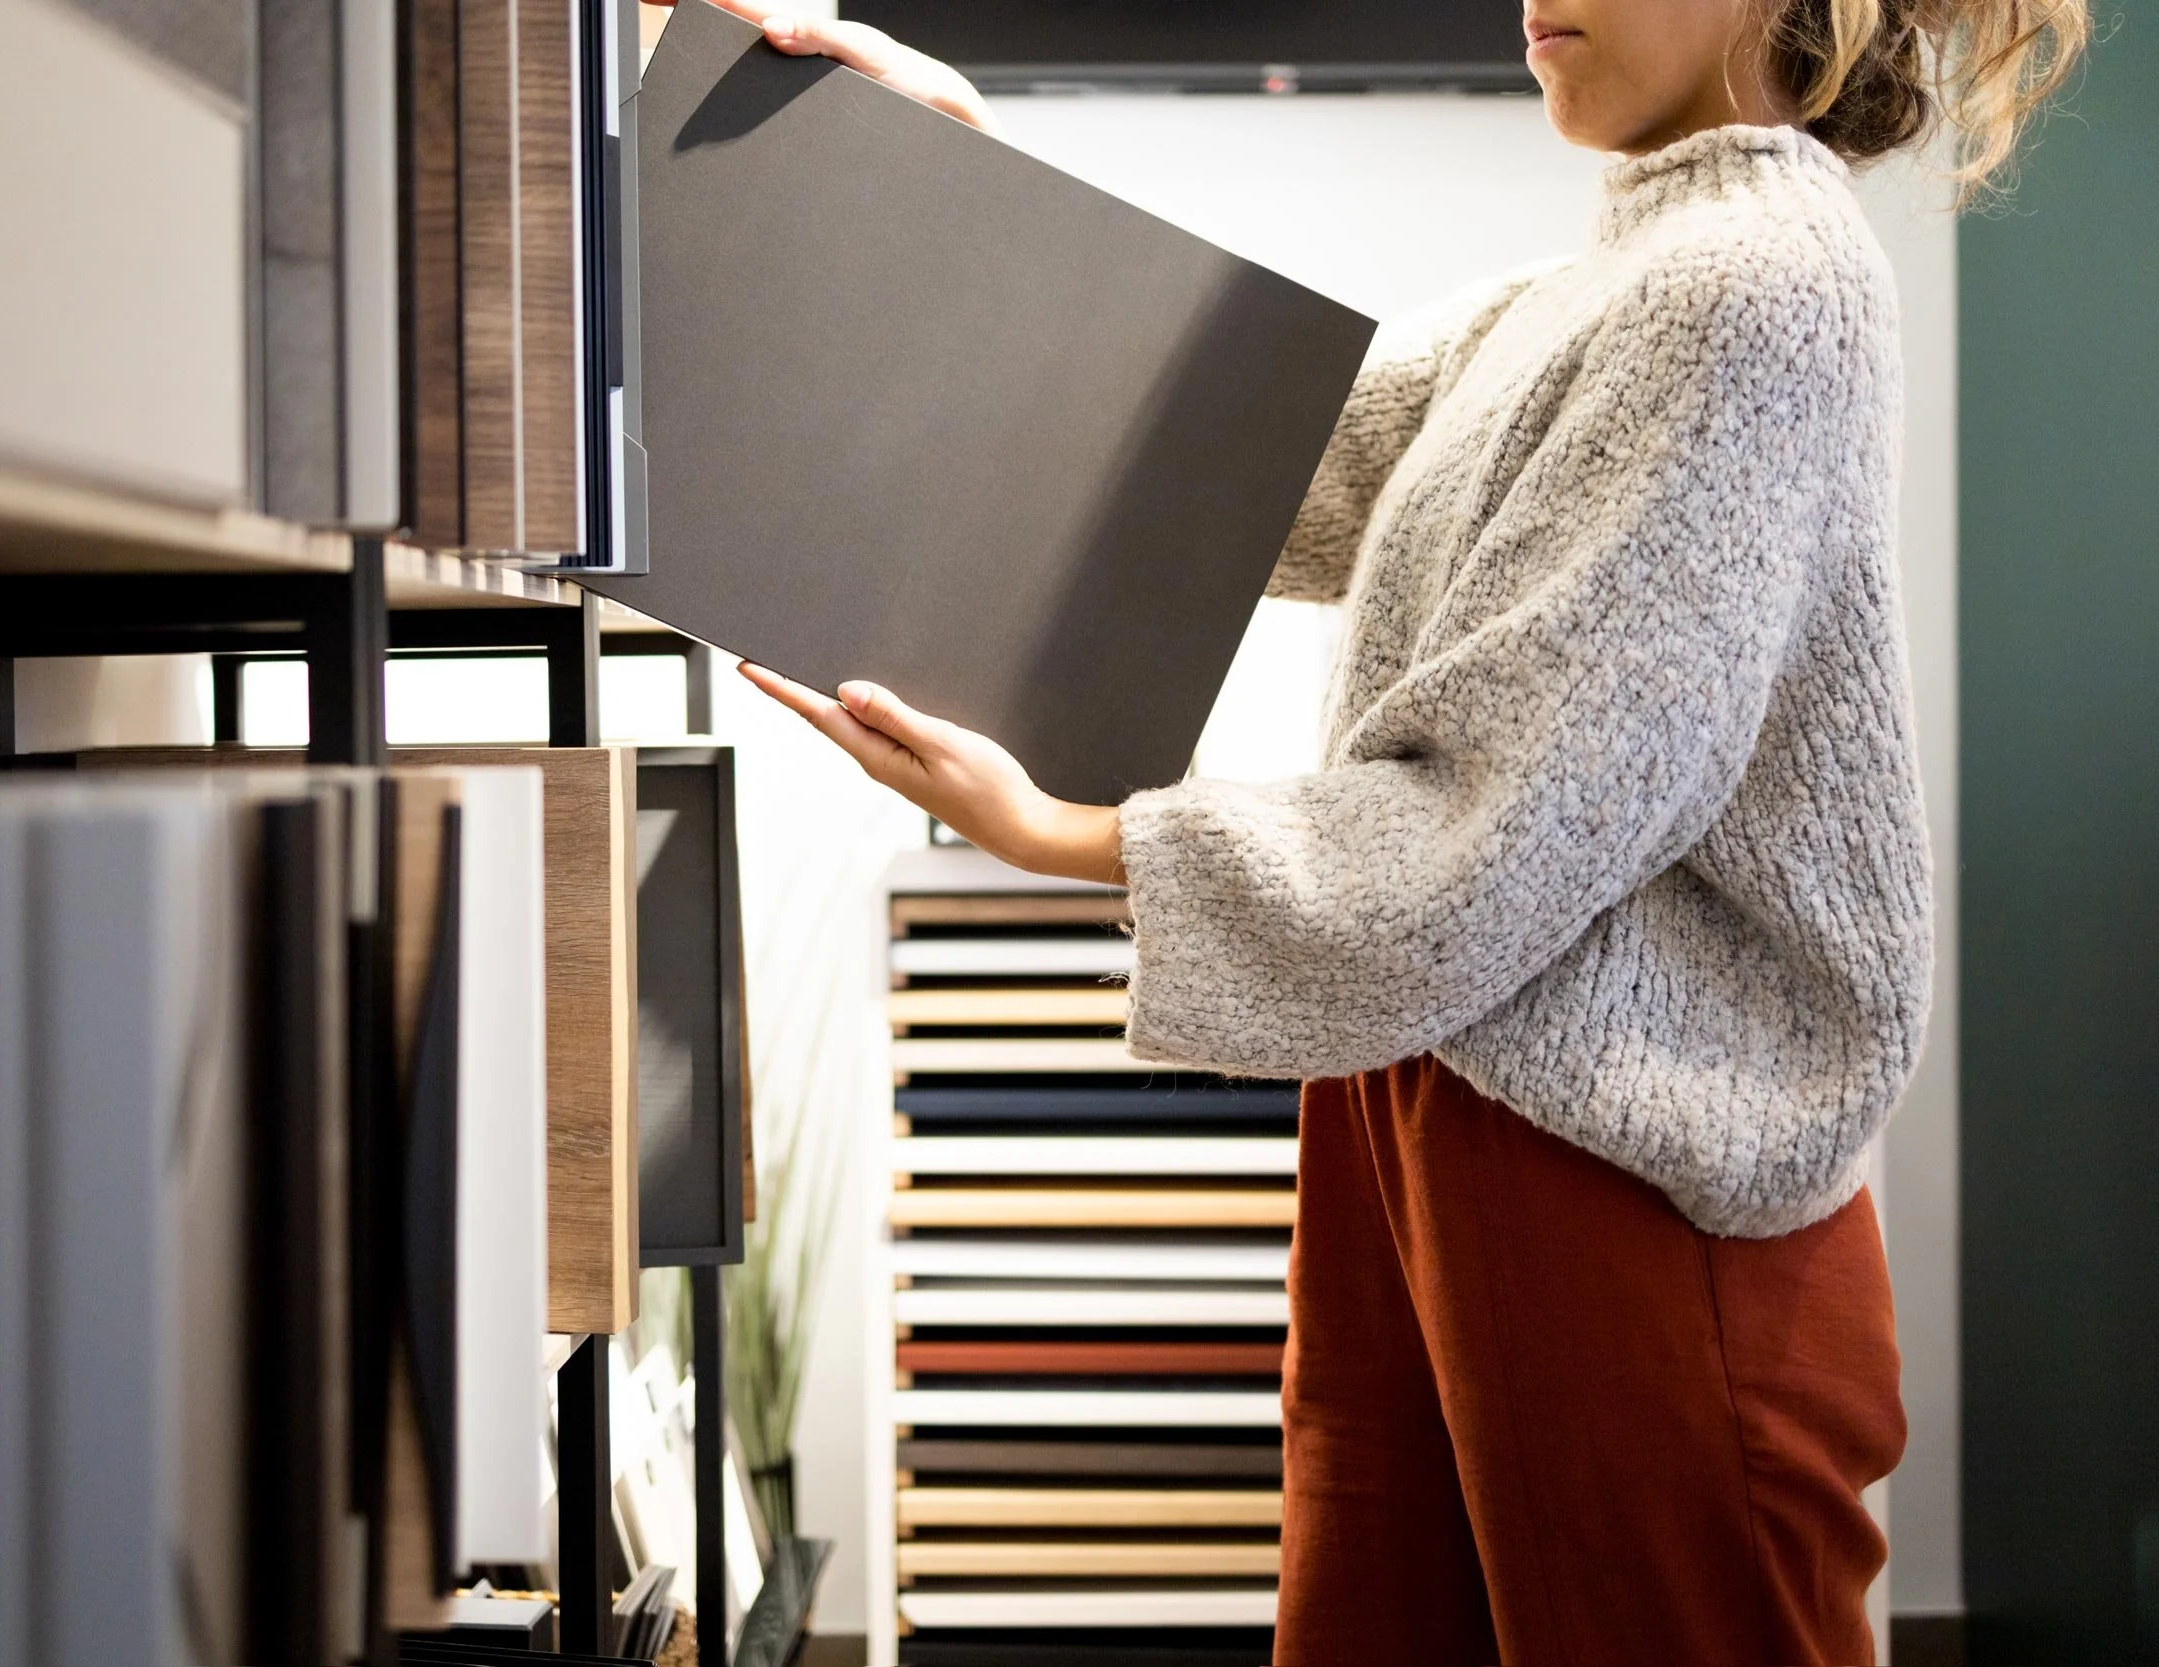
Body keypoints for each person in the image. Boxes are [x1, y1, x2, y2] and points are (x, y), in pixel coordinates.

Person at [691, 0, 2088, 1659]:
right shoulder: (1610, 284)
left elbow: (1507, 824)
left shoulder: (1754, 287)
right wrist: (955, 160)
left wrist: (1074, 834)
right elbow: (1245, 452)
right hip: (1443, 1110)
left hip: (1624, 1182)